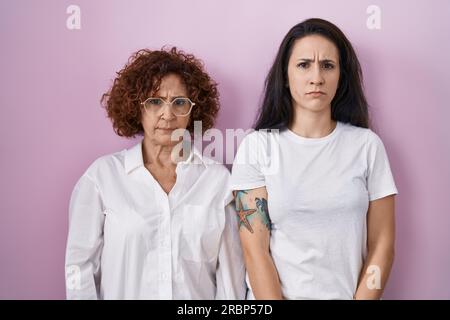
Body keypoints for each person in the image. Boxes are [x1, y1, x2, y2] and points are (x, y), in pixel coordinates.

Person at [231, 18, 398, 300]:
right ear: (285, 75)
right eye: (304, 64)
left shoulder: (367, 146)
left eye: (328, 66)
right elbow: (254, 250)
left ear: (341, 76)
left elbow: (382, 244)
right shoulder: (257, 146)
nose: (316, 77)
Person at [65, 47, 245, 299]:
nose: (167, 114)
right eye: (155, 102)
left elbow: (231, 278)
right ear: (136, 107)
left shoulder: (217, 182)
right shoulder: (101, 178)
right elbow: (79, 268)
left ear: (194, 110)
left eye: (179, 102)